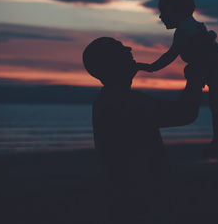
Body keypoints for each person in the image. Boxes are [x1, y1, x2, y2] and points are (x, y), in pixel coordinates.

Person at [82, 37, 203, 224]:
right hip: (142, 202)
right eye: (122, 49)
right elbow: (184, 114)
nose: (129, 49)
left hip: (127, 199)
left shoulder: (106, 102)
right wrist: (196, 79)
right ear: (112, 63)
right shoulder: (125, 102)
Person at [137, 0, 218, 156]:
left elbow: (171, 55)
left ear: (176, 12)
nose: (161, 17)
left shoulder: (185, 31)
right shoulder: (189, 27)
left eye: (164, 12)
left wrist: (150, 67)